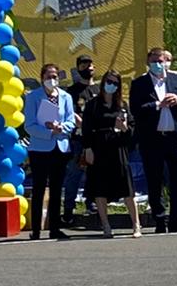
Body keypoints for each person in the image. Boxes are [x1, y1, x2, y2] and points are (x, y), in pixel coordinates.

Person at [129, 47, 177, 232]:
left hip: (175, 139)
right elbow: (136, 109)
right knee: (155, 181)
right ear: (148, 62)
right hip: (152, 140)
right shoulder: (140, 83)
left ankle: (176, 219)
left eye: (161, 60)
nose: (158, 64)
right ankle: (159, 219)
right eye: (155, 61)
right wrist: (158, 104)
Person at [83, 69, 142, 239]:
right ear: (103, 83)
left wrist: (124, 128)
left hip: (118, 148)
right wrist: (88, 149)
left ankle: (136, 224)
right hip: (99, 148)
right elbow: (87, 128)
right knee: (100, 188)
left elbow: (132, 129)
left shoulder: (122, 105)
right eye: (109, 82)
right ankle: (106, 225)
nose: (111, 85)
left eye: (115, 83)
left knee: (127, 188)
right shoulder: (93, 104)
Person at [25, 62, 77, 241]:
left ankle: (55, 228)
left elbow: (71, 121)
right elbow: (29, 125)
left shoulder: (66, 97)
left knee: (56, 189)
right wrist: (48, 132)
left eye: (54, 77)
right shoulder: (33, 97)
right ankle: (36, 230)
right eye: (48, 77)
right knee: (39, 188)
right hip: (40, 149)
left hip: (60, 148)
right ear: (42, 78)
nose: (52, 80)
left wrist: (61, 128)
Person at [61, 55, 97, 229]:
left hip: (97, 139)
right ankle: (68, 209)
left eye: (90, 65)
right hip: (78, 140)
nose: (88, 68)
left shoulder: (99, 89)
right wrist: (81, 122)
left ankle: (92, 203)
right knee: (74, 174)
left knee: (95, 173)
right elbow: (68, 112)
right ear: (78, 68)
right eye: (83, 65)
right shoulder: (72, 91)